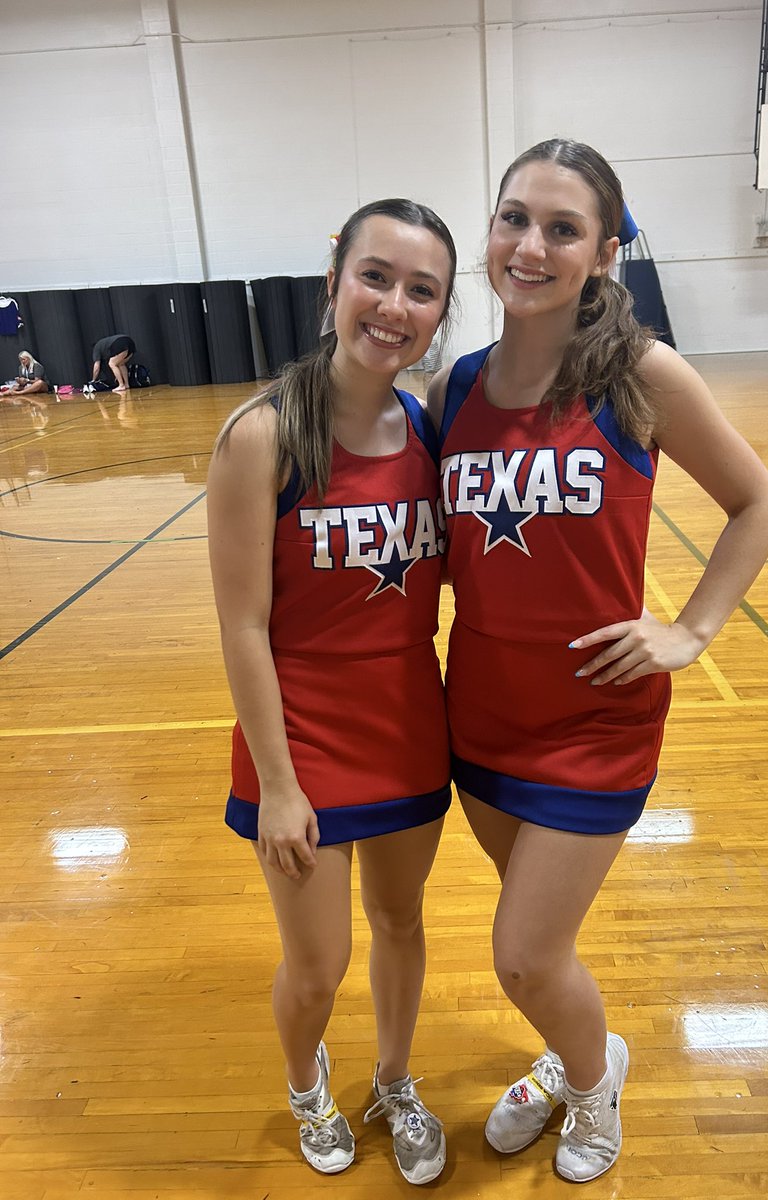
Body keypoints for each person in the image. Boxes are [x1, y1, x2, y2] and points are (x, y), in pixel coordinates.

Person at [427, 139, 768, 1184]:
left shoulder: (637, 373)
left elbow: (759, 501)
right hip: (481, 714)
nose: (529, 245)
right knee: (539, 951)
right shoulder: (455, 387)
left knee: (524, 954)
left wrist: (692, 628)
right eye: (512, 219)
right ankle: (573, 1051)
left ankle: (596, 1079)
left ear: (604, 253)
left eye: (562, 228)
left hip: (596, 720)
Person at [207, 198, 457, 1185]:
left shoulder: (431, 432)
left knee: (401, 925)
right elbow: (243, 627)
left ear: (440, 313)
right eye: (377, 277)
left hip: (407, 731)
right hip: (299, 745)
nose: (394, 305)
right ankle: (307, 1085)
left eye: (422, 290)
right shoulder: (260, 437)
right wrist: (277, 782)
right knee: (318, 966)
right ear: (334, 282)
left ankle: (395, 1080)